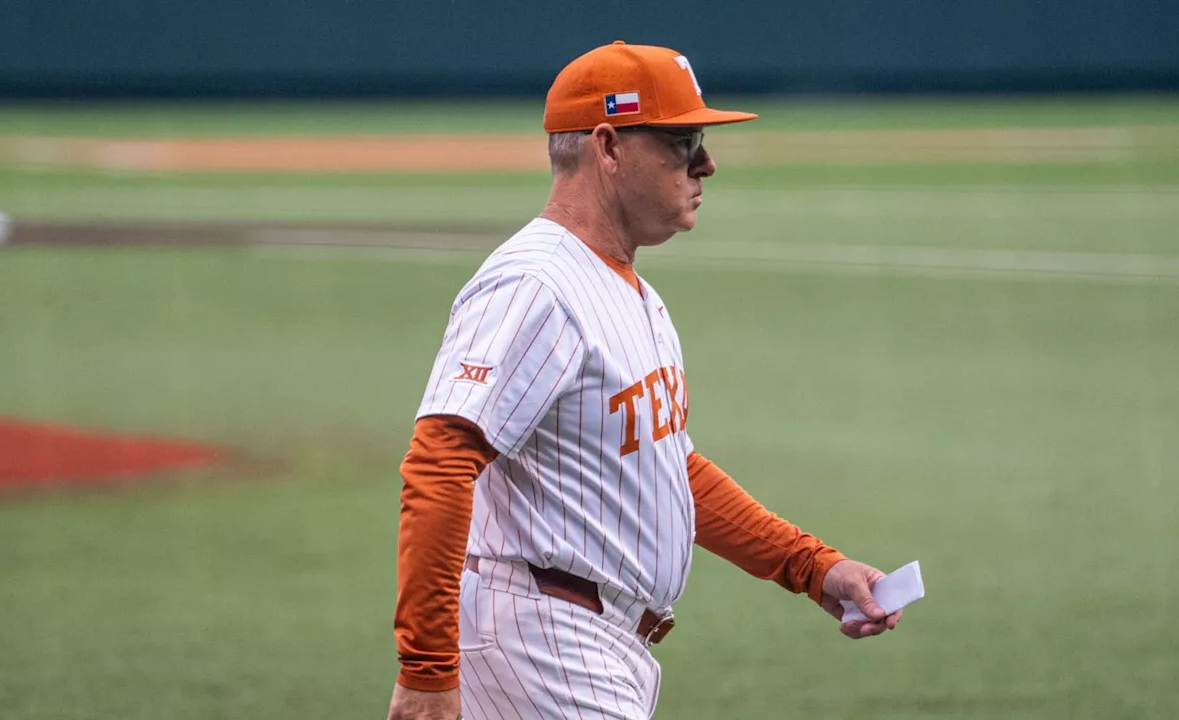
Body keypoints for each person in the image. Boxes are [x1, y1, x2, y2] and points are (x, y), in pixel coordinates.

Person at [387, 40, 903, 720]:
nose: (706, 165)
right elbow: (440, 460)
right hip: (543, 637)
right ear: (607, 147)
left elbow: (667, 469)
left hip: (591, 639)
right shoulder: (534, 285)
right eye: (681, 142)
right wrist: (425, 673)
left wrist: (813, 567)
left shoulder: (631, 293)